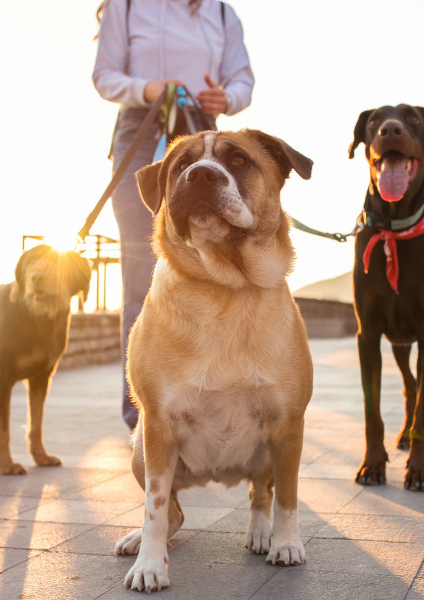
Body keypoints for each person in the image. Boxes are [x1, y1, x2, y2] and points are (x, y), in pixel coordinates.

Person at [93, 0, 254, 430]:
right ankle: (143, 409)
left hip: (205, 137)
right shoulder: (125, 6)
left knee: (213, 267)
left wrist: (228, 97)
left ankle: (210, 397)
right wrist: (149, 89)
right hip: (140, 135)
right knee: (141, 272)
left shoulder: (220, 13)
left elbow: (242, 80)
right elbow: (104, 76)